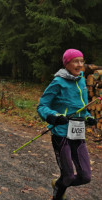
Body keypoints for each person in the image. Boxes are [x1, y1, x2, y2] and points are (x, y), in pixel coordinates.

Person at [37, 49, 97, 200]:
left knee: (85, 176)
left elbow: (80, 108)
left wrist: (88, 117)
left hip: (77, 132)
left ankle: (59, 183)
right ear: (67, 63)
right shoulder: (58, 82)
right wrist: (55, 117)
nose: (79, 64)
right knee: (68, 176)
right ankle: (59, 190)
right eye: (75, 61)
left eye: (81, 61)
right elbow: (42, 106)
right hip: (61, 132)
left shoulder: (82, 81)